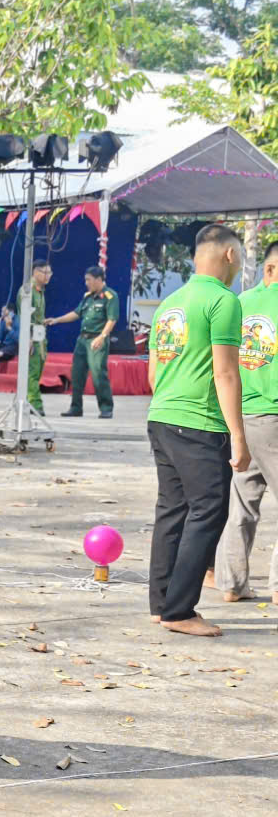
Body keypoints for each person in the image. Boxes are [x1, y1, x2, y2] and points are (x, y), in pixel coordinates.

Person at [147, 223, 249, 638]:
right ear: (229, 255)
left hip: (162, 417)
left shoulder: (170, 303)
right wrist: (238, 436)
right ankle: (180, 610)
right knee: (208, 510)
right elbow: (226, 373)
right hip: (199, 423)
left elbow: (154, 373)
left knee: (172, 510)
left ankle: (162, 604)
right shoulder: (223, 301)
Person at [213, 240, 278, 604]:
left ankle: (232, 583)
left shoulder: (238, 303)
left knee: (242, 503)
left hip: (240, 417)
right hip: (273, 414)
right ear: (270, 269)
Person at [48, 265, 119, 418]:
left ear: (99, 279)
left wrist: (102, 337)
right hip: (82, 340)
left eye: (89, 280)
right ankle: (76, 407)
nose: (86, 283)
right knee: (77, 374)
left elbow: (112, 319)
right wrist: (57, 320)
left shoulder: (110, 296)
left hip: (96, 340)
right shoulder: (88, 297)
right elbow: (76, 313)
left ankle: (106, 408)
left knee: (98, 374)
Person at [26, 259, 52, 416]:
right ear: (36, 272)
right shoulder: (27, 291)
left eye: (50, 273)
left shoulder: (39, 291)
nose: (48, 276)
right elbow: (24, 317)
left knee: (38, 370)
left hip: (40, 335)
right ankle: (35, 404)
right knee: (33, 372)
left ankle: (29, 400)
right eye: (45, 272)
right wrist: (28, 339)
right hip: (32, 336)